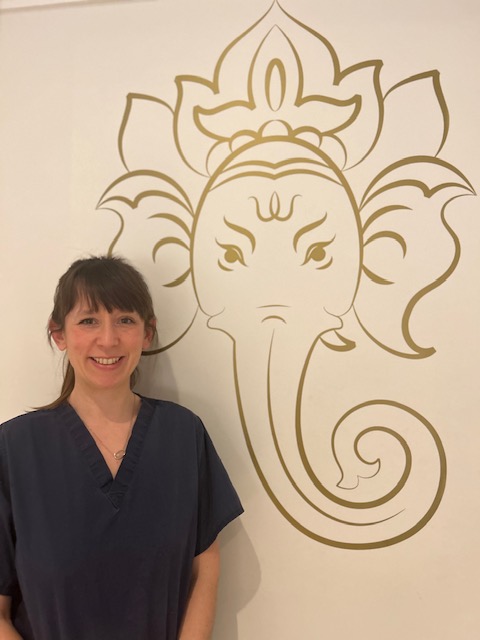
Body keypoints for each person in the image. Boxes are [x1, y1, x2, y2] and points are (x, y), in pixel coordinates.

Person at [0, 255, 243, 640]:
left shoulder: (183, 435)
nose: (108, 339)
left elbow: (205, 571)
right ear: (59, 334)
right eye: (88, 321)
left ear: (147, 333)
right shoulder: (14, 450)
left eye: (125, 320)